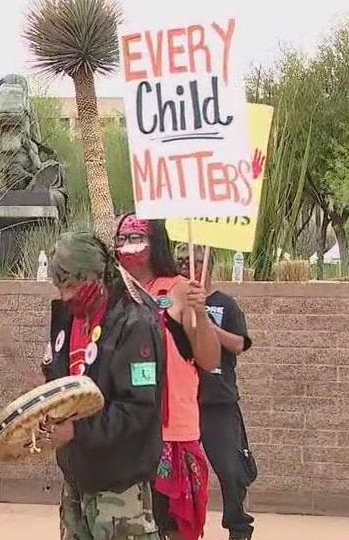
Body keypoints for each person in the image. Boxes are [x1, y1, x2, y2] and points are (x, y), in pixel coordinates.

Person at [40, 231, 185, 540]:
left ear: (95, 277)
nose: (65, 296)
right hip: (77, 479)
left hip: (120, 488)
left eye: (71, 286)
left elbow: (138, 409)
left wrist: (76, 430)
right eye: (59, 287)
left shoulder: (135, 324)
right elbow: (59, 381)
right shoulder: (66, 317)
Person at [113, 214, 220, 540]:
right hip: (123, 431)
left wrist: (199, 314)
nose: (127, 245)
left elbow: (209, 359)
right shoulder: (111, 295)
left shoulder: (180, 290)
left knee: (171, 527)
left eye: (136, 237)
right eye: (121, 238)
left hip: (171, 432)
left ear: (156, 242)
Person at [178, 245, 257, 540]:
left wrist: (207, 325)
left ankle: (238, 527)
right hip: (183, 400)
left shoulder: (225, 304)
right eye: (181, 261)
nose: (186, 266)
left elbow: (239, 344)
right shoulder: (173, 302)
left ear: (207, 267)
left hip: (217, 401)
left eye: (193, 262)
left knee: (230, 470)